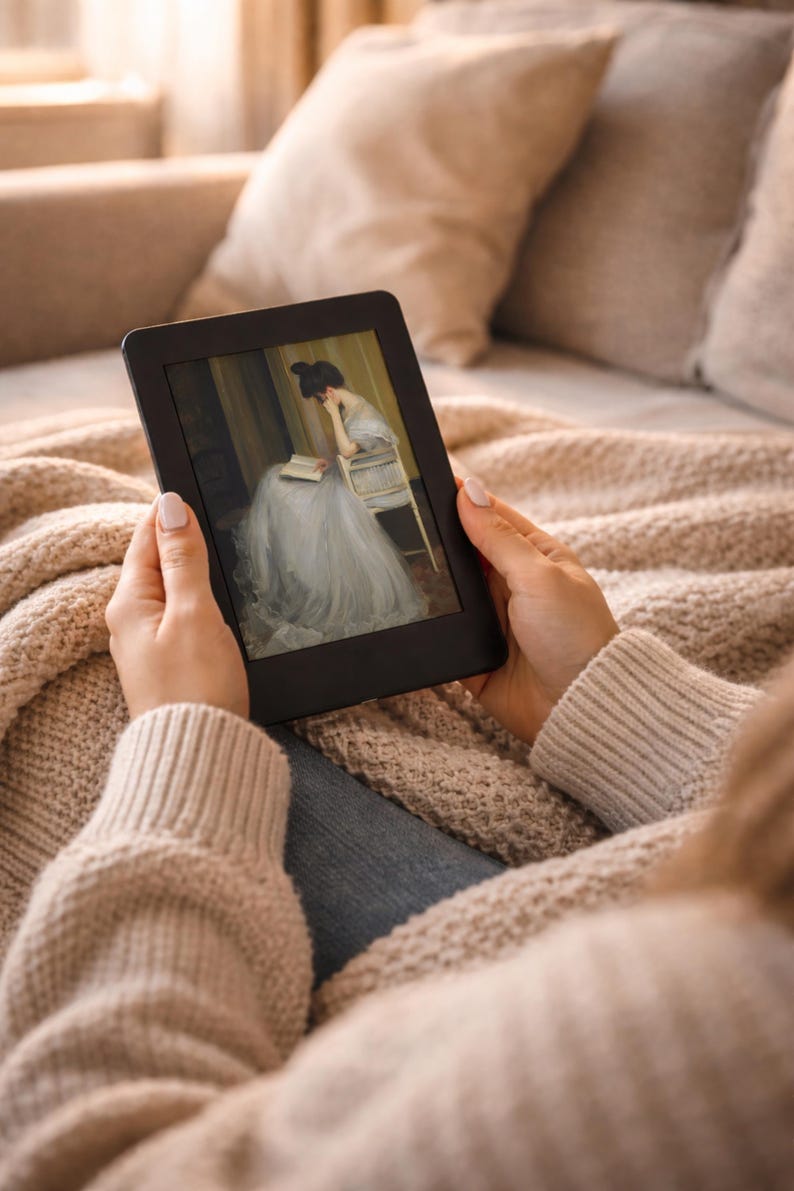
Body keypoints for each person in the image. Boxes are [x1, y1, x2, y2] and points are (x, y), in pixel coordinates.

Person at [1, 479, 792, 1190]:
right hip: (669, 869)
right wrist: (612, 703)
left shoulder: (684, 1048)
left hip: (524, 952)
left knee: (97, 679)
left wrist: (185, 743)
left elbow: (94, 1163)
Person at [233, 360, 426, 657]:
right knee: (277, 475)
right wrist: (329, 461)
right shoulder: (358, 408)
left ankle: (302, 572)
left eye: (320, 399)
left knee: (277, 485)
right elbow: (350, 454)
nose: (321, 405)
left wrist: (334, 414)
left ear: (327, 392)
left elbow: (350, 450)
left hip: (360, 485)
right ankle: (296, 566)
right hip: (351, 476)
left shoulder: (360, 414)